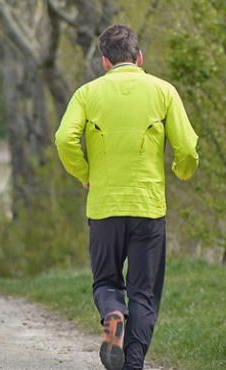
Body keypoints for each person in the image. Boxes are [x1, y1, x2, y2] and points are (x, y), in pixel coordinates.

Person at [54, 24, 199, 370]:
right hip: (148, 209)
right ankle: (133, 364)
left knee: (106, 281)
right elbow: (188, 147)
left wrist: (86, 174)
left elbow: (63, 139)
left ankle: (113, 313)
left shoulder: (87, 94)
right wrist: (182, 170)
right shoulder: (163, 91)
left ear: (105, 61)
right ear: (139, 57)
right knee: (144, 293)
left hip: (104, 208)